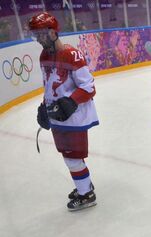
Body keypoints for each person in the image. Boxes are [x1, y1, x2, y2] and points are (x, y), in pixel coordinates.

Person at [29, 12, 99, 211]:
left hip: (73, 118)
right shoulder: (44, 56)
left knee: (72, 157)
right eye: (36, 35)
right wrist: (45, 105)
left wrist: (70, 102)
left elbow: (89, 87)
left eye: (42, 34)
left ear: (53, 33)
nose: (39, 39)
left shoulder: (71, 54)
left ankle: (87, 194)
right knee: (69, 155)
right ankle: (84, 185)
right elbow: (50, 85)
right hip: (57, 117)